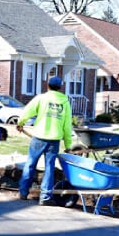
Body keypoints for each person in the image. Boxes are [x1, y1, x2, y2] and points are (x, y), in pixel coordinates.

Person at [16, 76, 72, 205]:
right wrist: (68, 145)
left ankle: (23, 192)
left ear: (47, 86)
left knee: (30, 164)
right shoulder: (65, 102)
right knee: (49, 168)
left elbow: (27, 111)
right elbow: (67, 126)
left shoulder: (41, 98)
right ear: (60, 88)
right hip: (54, 140)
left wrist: (20, 122)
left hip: (39, 138)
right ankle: (45, 197)